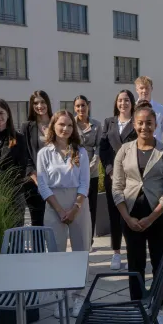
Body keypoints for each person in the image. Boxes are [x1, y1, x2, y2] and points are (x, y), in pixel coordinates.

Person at [112, 101, 163, 324]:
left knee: (159, 264)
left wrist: (151, 218)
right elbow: (117, 186)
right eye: (140, 123)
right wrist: (128, 218)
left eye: (149, 123)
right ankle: (136, 307)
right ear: (134, 124)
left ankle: (157, 309)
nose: (144, 127)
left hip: (158, 216)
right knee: (135, 263)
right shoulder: (124, 150)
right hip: (130, 215)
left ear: (156, 124)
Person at [36, 110, 91, 318]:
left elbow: (85, 183)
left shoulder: (81, 152)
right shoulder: (44, 153)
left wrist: (75, 208)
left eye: (69, 125)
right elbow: (42, 185)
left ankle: (79, 297)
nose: (65, 129)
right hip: (54, 204)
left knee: (80, 252)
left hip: (78, 203)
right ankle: (59, 297)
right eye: (61, 124)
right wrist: (59, 210)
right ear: (53, 126)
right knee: (56, 253)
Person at [99, 90, 137, 269]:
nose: (123, 103)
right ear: (116, 103)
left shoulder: (137, 122)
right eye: (120, 100)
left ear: (132, 103)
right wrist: (110, 170)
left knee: (131, 213)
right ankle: (116, 252)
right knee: (114, 214)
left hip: (132, 177)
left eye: (127, 100)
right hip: (112, 176)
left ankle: (133, 250)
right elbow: (104, 149)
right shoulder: (109, 122)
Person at [20, 91, 52, 227]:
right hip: (33, 181)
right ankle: (38, 248)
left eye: (43, 102)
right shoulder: (27, 126)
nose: (40, 106)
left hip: (54, 179)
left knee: (54, 220)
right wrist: (36, 179)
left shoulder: (57, 122)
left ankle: (54, 248)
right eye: (36, 103)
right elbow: (25, 154)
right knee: (37, 221)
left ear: (48, 103)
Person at [73, 95, 102, 248]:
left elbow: (99, 147)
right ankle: (77, 237)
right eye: (77, 106)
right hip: (75, 171)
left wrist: (92, 166)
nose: (80, 109)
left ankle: (89, 240)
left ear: (88, 106)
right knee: (77, 204)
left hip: (92, 171)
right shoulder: (71, 124)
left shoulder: (96, 125)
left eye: (83, 105)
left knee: (91, 207)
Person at [135, 76, 163, 141]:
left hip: (156, 148)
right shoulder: (132, 108)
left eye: (147, 88)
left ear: (152, 89)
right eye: (141, 88)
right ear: (137, 90)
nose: (144, 91)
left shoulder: (161, 110)